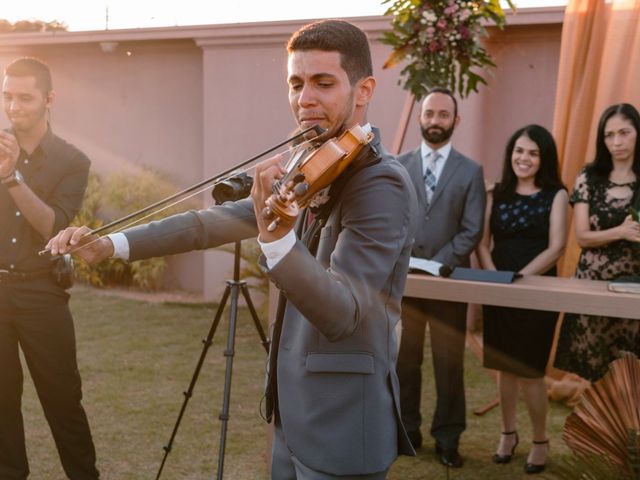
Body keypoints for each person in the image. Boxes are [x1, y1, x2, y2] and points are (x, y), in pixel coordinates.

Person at [48, 20, 418, 479]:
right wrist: (111, 244)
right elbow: (208, 224)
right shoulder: (311, 165)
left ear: (364, 90)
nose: (305, 99)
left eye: (324, 83)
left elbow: (343, 313)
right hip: (292, 415)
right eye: (296, 83)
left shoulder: (380, 183)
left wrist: (277, 239)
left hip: (341, 426)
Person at [0, 58, 99, 479]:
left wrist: (10, 177)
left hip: (42, 292)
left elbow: (56, 229)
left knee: (62, 401)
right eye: (7, 95)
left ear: (49, 99)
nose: (13, 106)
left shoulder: (72, 161)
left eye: (25, 97)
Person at [395, 87, 485, 468]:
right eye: (429, 113)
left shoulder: (470, 171)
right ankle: (406, 431)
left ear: (455, 121)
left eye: (443, 115)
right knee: (404, 360)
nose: (435, 121)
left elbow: (472, 230)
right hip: (405, 281)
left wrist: (439, 264)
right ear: (420, 117)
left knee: (449, 363)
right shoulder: (399, 165)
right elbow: (393, 219)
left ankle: (448, 438)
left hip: (448, 281)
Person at [476, 125, 568, 475]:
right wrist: (493, 279)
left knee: (530, 372)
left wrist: (519, 280)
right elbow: (483, 242)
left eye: (532, 152)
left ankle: (541, 440)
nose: (523, 158)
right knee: (504, 367)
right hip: (499, 288)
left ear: (543, 158)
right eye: (518, 151)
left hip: (537, 291)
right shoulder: (495, 192)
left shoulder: (556, 194)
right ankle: (507, 434)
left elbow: (557, 246)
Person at [555, 103, 640, 382]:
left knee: (632, 377)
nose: (616, 142)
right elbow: (582, 237)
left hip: (634, 289)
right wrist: (621, 231)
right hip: (593, 284)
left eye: (624, 132)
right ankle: (599, 427)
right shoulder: (589, 177)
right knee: (597, 378)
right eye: (609, 134)